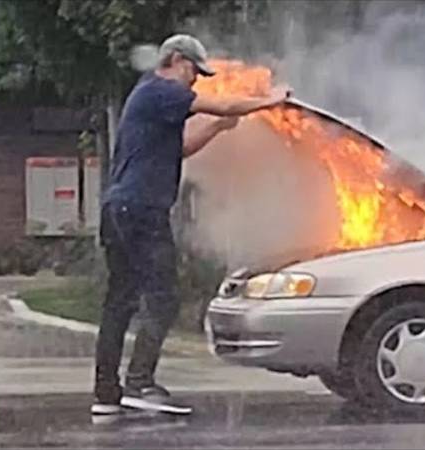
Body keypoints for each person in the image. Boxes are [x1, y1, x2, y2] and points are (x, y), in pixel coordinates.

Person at [92, 34, 290, 416]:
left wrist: (217, 129)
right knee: (163, 299)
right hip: (141, 211)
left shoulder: (150, 98)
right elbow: (222, 102)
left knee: (120, 303)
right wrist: (269, 100)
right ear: (176, 60)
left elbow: (179, 148)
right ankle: (139, 383)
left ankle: (107, 395)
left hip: (121, 210)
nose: (196, 79)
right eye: (194, 71)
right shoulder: (160, 90)